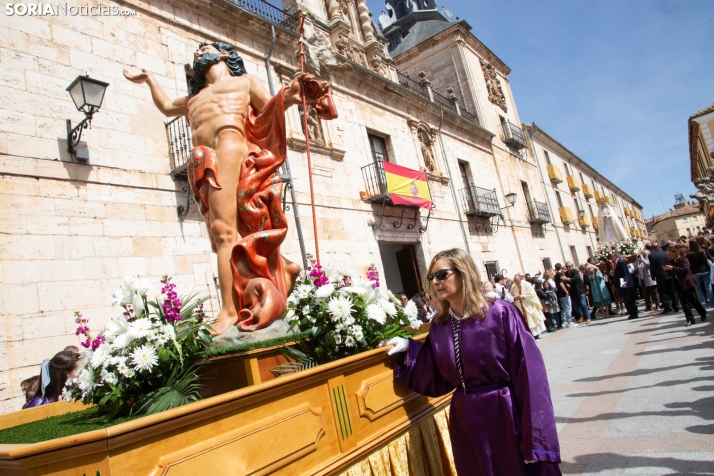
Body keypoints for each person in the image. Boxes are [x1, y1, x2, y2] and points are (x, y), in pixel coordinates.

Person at [124, 42, 335, 335]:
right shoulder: (192, 99)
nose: (197, 52)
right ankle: (282, 266)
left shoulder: (244, 82)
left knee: (223, 233)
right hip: (202, 159)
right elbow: (164, 107)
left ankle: (228, 310)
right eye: (194, 51)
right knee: (223, 235)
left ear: (223, 54)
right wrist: (149, 79)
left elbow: (270, 108)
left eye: (204, 48)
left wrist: (293, 96)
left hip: (228, 145)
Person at [386, 248, 562, 475]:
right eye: (431, 277)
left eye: (441, 275)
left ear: (463, 273)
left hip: (505, 414)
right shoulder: (440, 326)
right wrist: (409, 348)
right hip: (465, 418)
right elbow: (437, 375)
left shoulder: (500, 314)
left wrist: (536, 440)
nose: (435, 282)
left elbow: (530, 376)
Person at [665, 245, 707, 327]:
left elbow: (685, 269)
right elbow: (673, 272)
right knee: (684, 302)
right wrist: (667, 270)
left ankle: (702, 312)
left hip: (686, 283)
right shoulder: (672, 261)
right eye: (668, 255)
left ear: (675, 252)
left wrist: (672, 268)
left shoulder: (683, 259)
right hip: (678, 284)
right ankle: (690, 319)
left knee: (693, 300)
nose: (669, 256)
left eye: (670, 254)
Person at [510, 273, 548, 338]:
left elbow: (532, 294)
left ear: (520, 279)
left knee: (532, 320)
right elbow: (511, 295)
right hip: (520, 306)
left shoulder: (527, 284)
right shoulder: (513, 287)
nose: (515, 281)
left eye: (516, 280)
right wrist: (514, 298)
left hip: (528, 305)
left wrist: (523, 296)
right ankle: (528, 335)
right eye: (514, 280)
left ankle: (535, 334)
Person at [649, 241, 679, 314]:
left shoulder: (652, 255)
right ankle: (676, 306)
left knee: (663, 292)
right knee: (673, 290)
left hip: (660, 275)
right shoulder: (665, 252)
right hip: (669, 273)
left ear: (652, 248)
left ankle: (667, 307)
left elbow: (652, 267)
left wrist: (653, 276)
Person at [611, 251, 639, 320]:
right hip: (622, 282)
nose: (611, 258)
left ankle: (633, 312)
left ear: (615, 256)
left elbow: (625, 272)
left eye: (612, 256)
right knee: (626, 298)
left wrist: (625, 282)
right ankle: (631, 312)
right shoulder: (617, 262)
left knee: (628, 298)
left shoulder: (620, 262)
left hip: (625, 283)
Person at [687, 239, 712, 308]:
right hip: (705, 270)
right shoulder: (703, 251)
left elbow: (689, 264)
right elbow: (710, 259)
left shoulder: (689, 254)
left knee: (698, 288)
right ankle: (712, 302)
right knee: (708, 286)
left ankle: (703, 303)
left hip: (695, 272)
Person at [554, 263, 576, 328]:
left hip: (560, 294)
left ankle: (564, 322)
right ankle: (569, 321)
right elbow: (561, 283)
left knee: (563, 308)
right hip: (564, 293)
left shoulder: (556, 275)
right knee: (568, 307)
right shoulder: (560, 274)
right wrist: (566, 291)